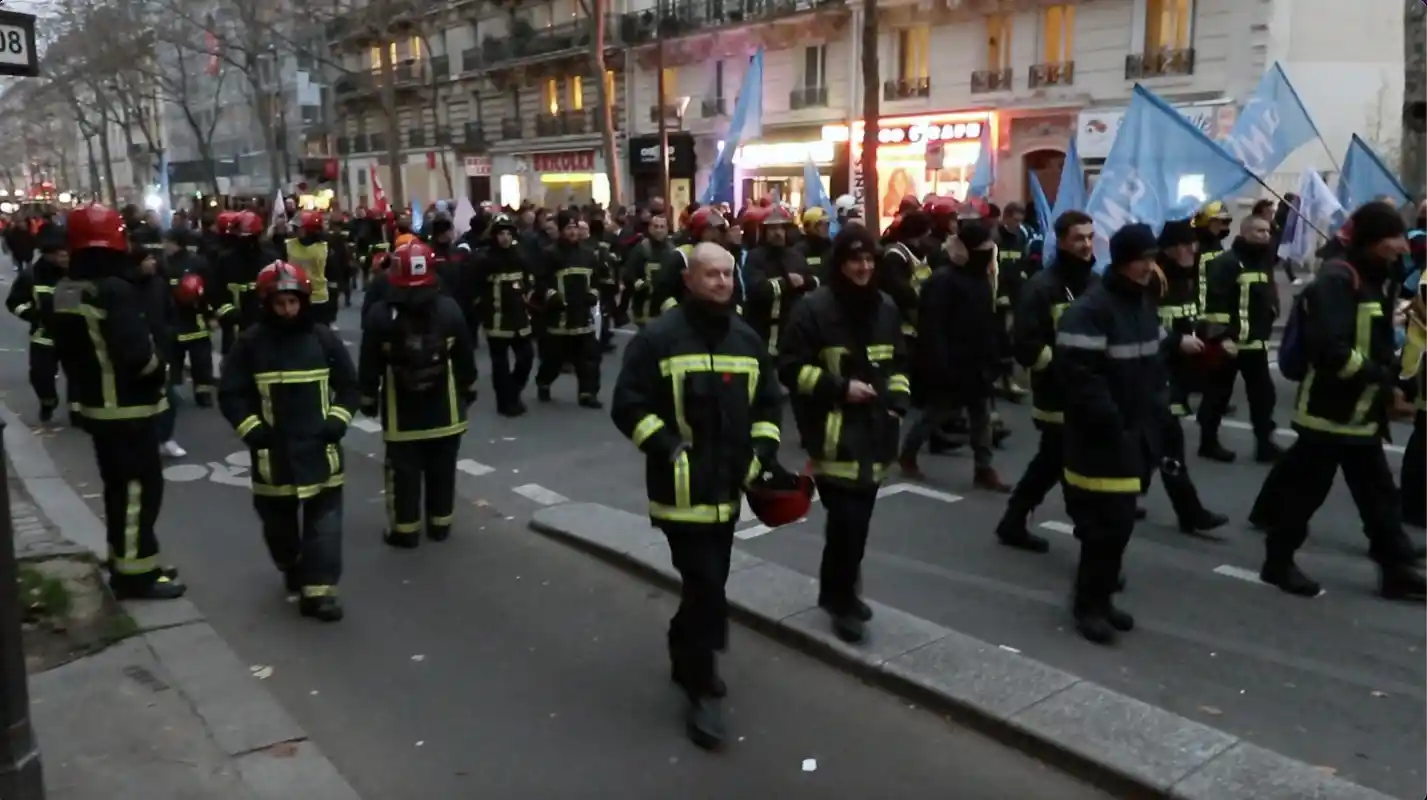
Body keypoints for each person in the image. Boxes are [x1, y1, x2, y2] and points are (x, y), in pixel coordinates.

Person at [610, 241, 783, 749]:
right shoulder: (658, 339)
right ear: (688, 280)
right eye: (711, 275)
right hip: (679, 492)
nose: (722, 284)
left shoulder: (747, 340)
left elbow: (769, 408)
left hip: (730, 491)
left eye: (728, 275)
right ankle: (702, 687)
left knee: (710, 582)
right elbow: (628, 405)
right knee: (706, 582)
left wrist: (761, 455)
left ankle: (684, 646)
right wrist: (668, 448)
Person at [1248, 203, 1425, 602]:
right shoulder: (1337, 280)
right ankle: (1277, 562)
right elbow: (1331, 349)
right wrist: (1382, 381)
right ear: (1375, 241)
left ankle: (1396, 568)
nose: (1402, 247)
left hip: (1361, 413)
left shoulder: (1375, 278)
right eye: (1394, 240)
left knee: (1378, 494)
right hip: (1328, 413)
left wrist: (1392, 385)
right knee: (1305, 492)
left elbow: (1376, 343)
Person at [779, 227, 910, 645]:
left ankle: (844, 594)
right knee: (846, 524)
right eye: (856, 260)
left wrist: (897, 403)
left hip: (876, 434)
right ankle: (838, 600)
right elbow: (789, 368)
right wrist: (839, 389)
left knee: (859, 525)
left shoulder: (885, 307)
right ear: (840, 263)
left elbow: (900, 365)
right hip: (833, 435)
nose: (865, 267)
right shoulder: (812, 310)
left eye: (870, 260)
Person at [50, 205, 184, 600]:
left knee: (118, 489)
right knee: (140, 490)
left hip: (95, 406)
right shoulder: (115, 290)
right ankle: (135, 576)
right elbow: (138, 357)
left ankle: (131, 556)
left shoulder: (66, 289)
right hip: (129, 408)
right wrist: (161, 367)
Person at [218, 260, 358, 621]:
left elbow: (349, 386)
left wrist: (337, 421)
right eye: (280, 304)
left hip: (320, 451)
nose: (288, 310)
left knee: (324, 526)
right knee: (278, 529)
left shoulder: (323, 338)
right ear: (267, 304)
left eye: (293, 302)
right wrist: (252, 430)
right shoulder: (250, 344)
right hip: (273, 455)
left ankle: (320, 591)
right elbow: (231, 394)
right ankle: (291, 566)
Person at [1054, 224, 1174, 644]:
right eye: (1143, 258)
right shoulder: (1090, 311)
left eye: (1151, 257)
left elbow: (1154, 360)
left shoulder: (1140, 304)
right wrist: (1115, 424)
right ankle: (1087, 605)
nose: (1149, 266)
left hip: (1133, 436)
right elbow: (1080, 378)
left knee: (1118, 527)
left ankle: (1101, 599)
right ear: (1124, 261)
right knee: (1104, 527)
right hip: (1099, 442)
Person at [359, 241, 477, 547]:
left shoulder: (379, 315)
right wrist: (468, 388)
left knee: (403, 473)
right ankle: (440, 524)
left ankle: (405, 530)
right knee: (443, 469)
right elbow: (465, 355)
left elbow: (369, 360)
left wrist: (368, 397)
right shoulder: (449, 309)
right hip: (446, 410)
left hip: (402, 414)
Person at [993, 211, 1098, 552]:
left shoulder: (1095, 282)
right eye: (1078, 238)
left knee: (1051, 463)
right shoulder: (1042, 286)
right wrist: (1064, 369)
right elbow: (1026, 345)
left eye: (1089, 237)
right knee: (1071, 467)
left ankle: (1013, 520)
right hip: (1057, 397)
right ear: (1062, 241)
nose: (1085, 244)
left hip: (1089, 393)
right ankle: (1094, 547)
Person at [899, 219, 1010, 491]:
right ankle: (908, 454)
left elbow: (986, 320)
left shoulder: (981, 279)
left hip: (977, 362)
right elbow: (932, 327)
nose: (988, 251)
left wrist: (995, 356)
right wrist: (939, 364)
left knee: (980, 416)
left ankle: (983, 468)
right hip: (951, 363)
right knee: (936, 413)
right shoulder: (943, 281)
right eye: (983, 247)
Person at [533, 210, 603, 408]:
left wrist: (593, 294)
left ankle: (588, 393)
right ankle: (544, 382)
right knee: (553, 360)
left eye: (575, 227)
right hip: (559, 318)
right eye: (568, 228)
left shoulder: (589, 254)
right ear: (561, 230)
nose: (572, 232)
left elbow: (598, 279)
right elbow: (540, 282)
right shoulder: (549, 254)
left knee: (589, 359)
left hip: (582, 316)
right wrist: (552, 297)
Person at [474, 214, 536, 415]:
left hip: (520, 319)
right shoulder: (485, 260)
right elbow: (473, 288)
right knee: (500, 364)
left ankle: (513, 391)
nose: (505, 238)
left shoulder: (521, 256)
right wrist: (482, 311)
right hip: (496, 321)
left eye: (508, 233)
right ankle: (505, 402)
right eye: (501, 233)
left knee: (526, 357)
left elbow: (529, 280)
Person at [6, 236, 66, 421]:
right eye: (61, 255)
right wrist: (33, 316)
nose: (65, 259)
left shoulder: (75, 274)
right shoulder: (31, 276)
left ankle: (78, 411)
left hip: (73, 336)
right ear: (49, 256)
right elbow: (14, 302)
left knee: (80, 377)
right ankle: (48, 402)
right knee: (41, 375)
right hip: (43, 335)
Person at [164, 229, 218, 409]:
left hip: (195, 318)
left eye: (167, 242)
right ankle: (173, 391)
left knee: (201, 360)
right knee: (173, 359)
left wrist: (210, 314)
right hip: (174, 319)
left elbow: (209, 290)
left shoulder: (196, 263)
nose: (165, 246)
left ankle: (202, 392)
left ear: (175, 242)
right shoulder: (164, 264)